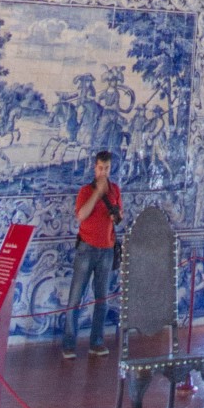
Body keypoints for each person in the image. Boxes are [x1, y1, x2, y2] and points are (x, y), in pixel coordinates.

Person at [62, 150, 121, 359]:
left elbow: (119, 217)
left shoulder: (115, 191)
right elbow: (81, 215)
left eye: (106, 169)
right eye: (100, 168)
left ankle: (96, 342)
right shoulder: (86, 191)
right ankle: (69, 343)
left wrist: (116, 214)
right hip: (86, 249)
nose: (103, 172)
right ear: (94, 168)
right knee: (76, 297)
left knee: (101, 298)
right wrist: (97, 194)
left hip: (106, 250)